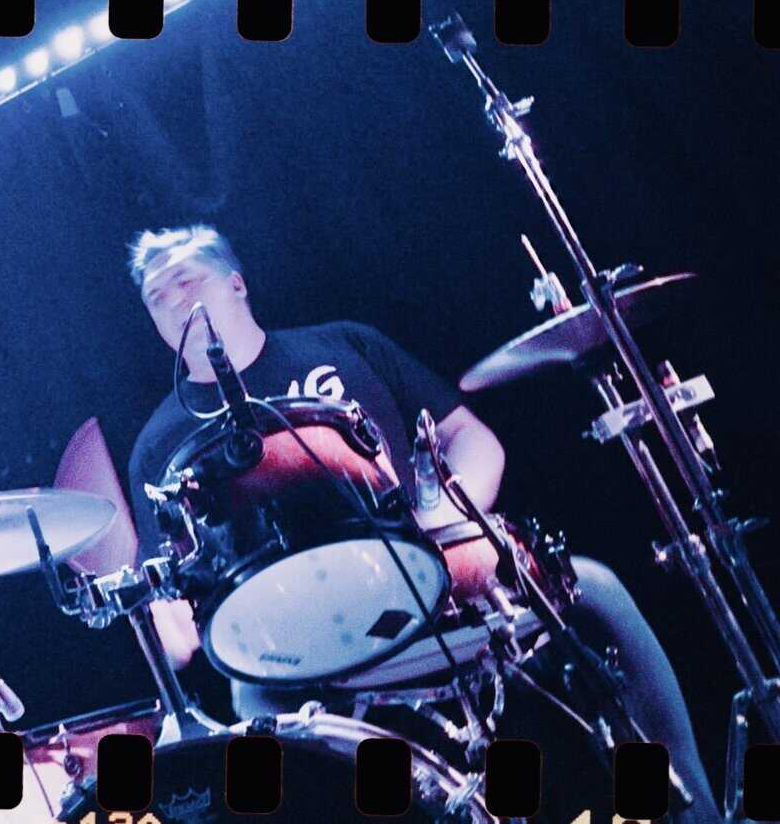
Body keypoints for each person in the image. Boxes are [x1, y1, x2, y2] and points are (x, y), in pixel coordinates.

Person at [119, 224, 719, 823]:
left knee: (592, 588)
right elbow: (173, 599)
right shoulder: (158, 445)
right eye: (156, 297)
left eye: (185, 281)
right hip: (297, 642)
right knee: (250, 700)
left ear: (236, 284)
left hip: (426, 576)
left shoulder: (345, 345)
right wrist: (162, 622)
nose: (174, 302)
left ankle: (695, 813)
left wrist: (444, 521)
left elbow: (471, 440)